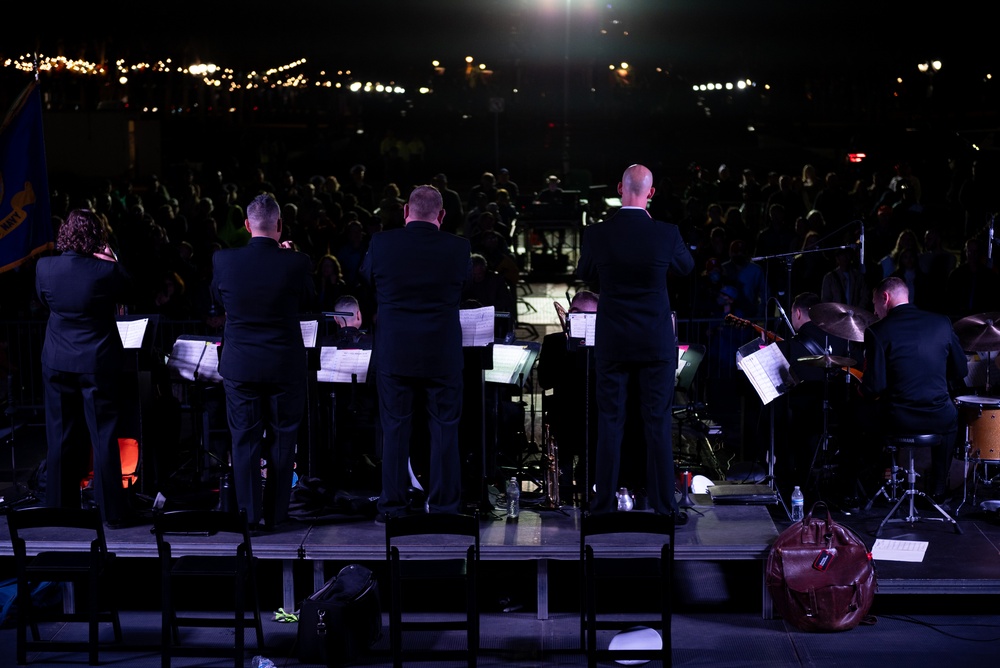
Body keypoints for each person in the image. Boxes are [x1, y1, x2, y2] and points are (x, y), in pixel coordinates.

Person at [576, 163, 695, 519]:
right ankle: (664, 506)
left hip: (613, 342)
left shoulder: (597, 234)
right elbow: (687, 268)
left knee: (610, 422)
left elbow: (584, 274)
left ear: (618, 188)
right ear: (651, 193)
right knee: (657, 423)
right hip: (656, 343)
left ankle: (601, 506)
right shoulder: (666, 233)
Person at [360, 184, 472, 522]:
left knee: (394, 431)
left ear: (406, 212)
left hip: (395, 353)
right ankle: (443, 508)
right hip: (441, 354)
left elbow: (365, 279)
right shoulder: (459, 248)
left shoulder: (382, 243)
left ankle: (392, 508)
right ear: (441, 215)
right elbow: (463, 286)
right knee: (444, 431)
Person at [211, 193, 317, 531]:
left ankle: (249, 515)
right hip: (284, 366)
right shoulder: (297, 262)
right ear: (280, 225)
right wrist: (289, 260)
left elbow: (216, 298)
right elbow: (312, 301)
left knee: (244, 441)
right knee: (283, 441)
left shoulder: (224, 261)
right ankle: (276, 514)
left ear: (246, 225)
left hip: (241, 366)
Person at [35, 209, 135, 528]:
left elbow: (43, 301)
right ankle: (113, 513)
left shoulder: (44, 267)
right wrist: (112, 260)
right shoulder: (104, 271)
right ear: (96, 236)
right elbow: (131, 290)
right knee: (103, 435)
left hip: (57, 360)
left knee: (59, 436)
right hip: (96, 362)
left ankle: (59, 512)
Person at [859, 276, 968, 502]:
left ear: (885, 298)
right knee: (952, 418)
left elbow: (875, 387)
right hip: (938, 415)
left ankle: (871, 485)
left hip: (899, 419)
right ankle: (938, 489)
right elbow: (961, 371)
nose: (875, 310)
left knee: (860, 418)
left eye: (874, 303)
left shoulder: (877, 331)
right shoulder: (942, 323)